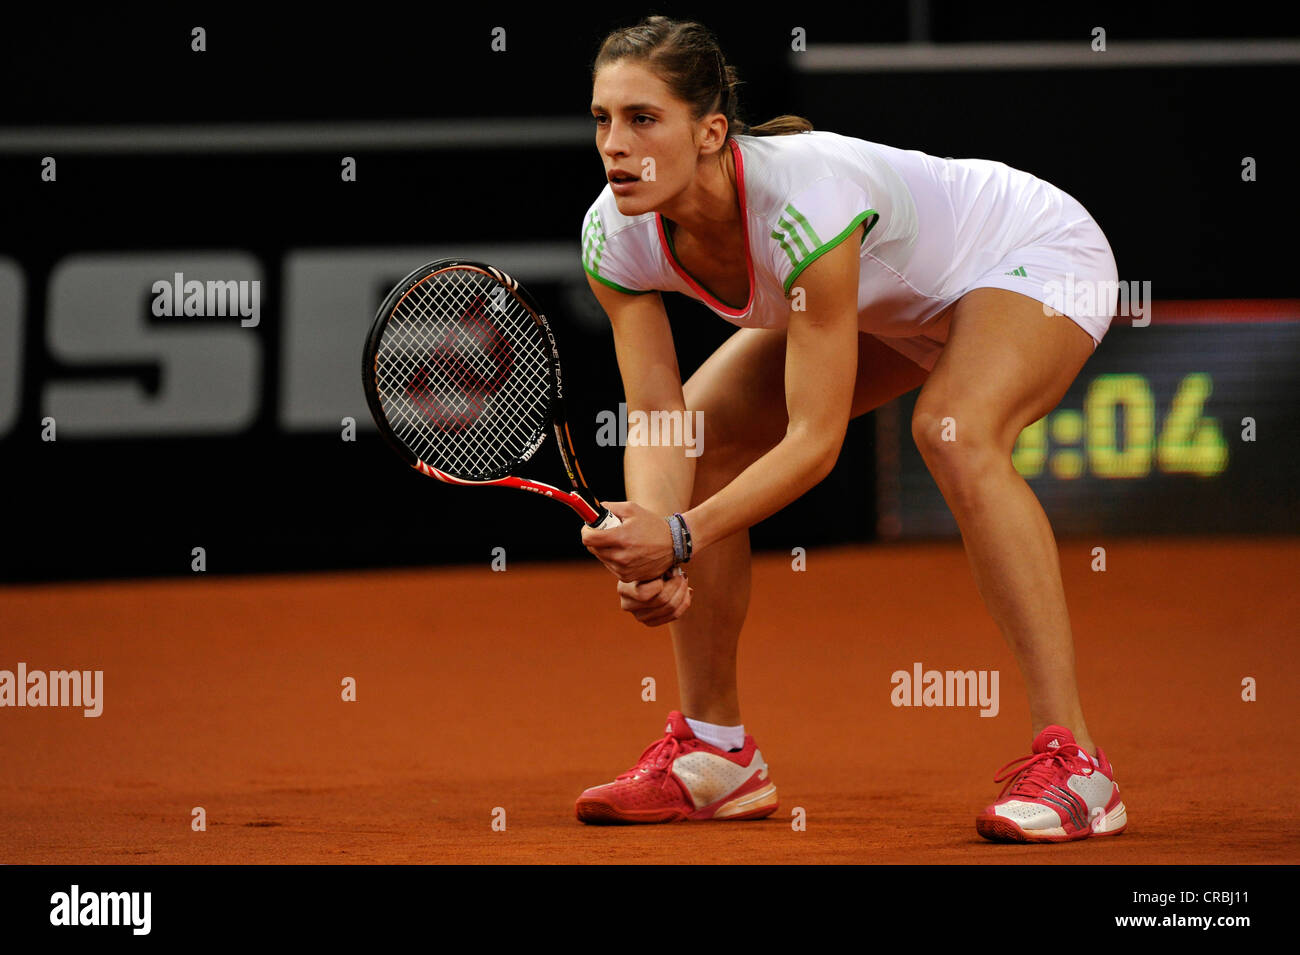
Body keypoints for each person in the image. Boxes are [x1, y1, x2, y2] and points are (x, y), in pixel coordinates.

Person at [575, 16, 1127, 842]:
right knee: (712, 429)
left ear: (710, 131)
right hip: (896, 305)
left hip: (1030, 253)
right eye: (601, 119)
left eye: (642, 118)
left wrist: (682, 534)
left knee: (953, 429)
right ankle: (718, 754)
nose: (615, 145)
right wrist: (653, 538)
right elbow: (662, 416)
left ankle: (1079, 765)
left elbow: (814, 442)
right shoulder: (614, 232)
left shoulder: (803, 202)